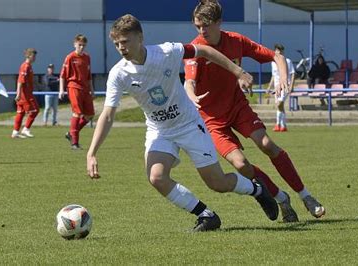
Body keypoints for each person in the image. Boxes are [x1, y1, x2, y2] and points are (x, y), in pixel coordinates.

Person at [86, 14, 279, 232]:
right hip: (160, 130)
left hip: (189, 125)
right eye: (116, 44)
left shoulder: (166, 52)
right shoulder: (118, 74)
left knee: (217, 183)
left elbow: (204, 50)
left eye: (125, 41)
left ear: (140, 37)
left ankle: (257, 190)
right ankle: (206, 216)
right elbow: (108, 114)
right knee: (156, 177)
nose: (121, 48)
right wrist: (92, 152)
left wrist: (239, 72)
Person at [184, 0, 325, 222]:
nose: (202, 31)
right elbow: (189, 82)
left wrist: (283, 78)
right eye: (197, 26)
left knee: (267, 145)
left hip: (237, 107)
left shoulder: (236, 41)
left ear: (219, 22)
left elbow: (275, 56)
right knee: (240, 164)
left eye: (206, 26)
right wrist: (191, 95)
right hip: (212, 120)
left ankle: (306, 196)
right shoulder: (195, 49)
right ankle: (281, 198)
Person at [59, 34, 95, 150]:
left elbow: (89, 76)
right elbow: (63, 76)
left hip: (85, 88)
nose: (81, 47)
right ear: (74, 44)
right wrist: (61, 90)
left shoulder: (87, 57)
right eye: (79, 45)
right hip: (73, 87)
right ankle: (75, 143)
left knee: (90, 115)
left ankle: (71, 133)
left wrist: (92, 89)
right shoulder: (70, 57)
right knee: (77, 113)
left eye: (83, 45)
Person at [11, 48, 40, 138]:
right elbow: (20, 81)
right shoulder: (26, 66)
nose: (35, 58)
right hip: (25, 94)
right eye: (33, 56)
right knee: (35, 110)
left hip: (25, 93)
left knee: (21, 112)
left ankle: (15, 132)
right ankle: (26, 129)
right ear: (29, 56)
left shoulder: (28, 66)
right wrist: (18, 94)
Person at [267, 44, 295, 132]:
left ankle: (278, 124)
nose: (279, 52)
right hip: (276, 88)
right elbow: (273, 76)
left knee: (279, 104)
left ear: (283, 51)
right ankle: (283, 125)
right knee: (279, 106)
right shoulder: (273, 63)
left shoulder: (288, 61)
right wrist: (269, 86)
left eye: (280, 50)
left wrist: (291, 86)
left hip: (285, 86)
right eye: (277, 50)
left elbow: (293, 74)